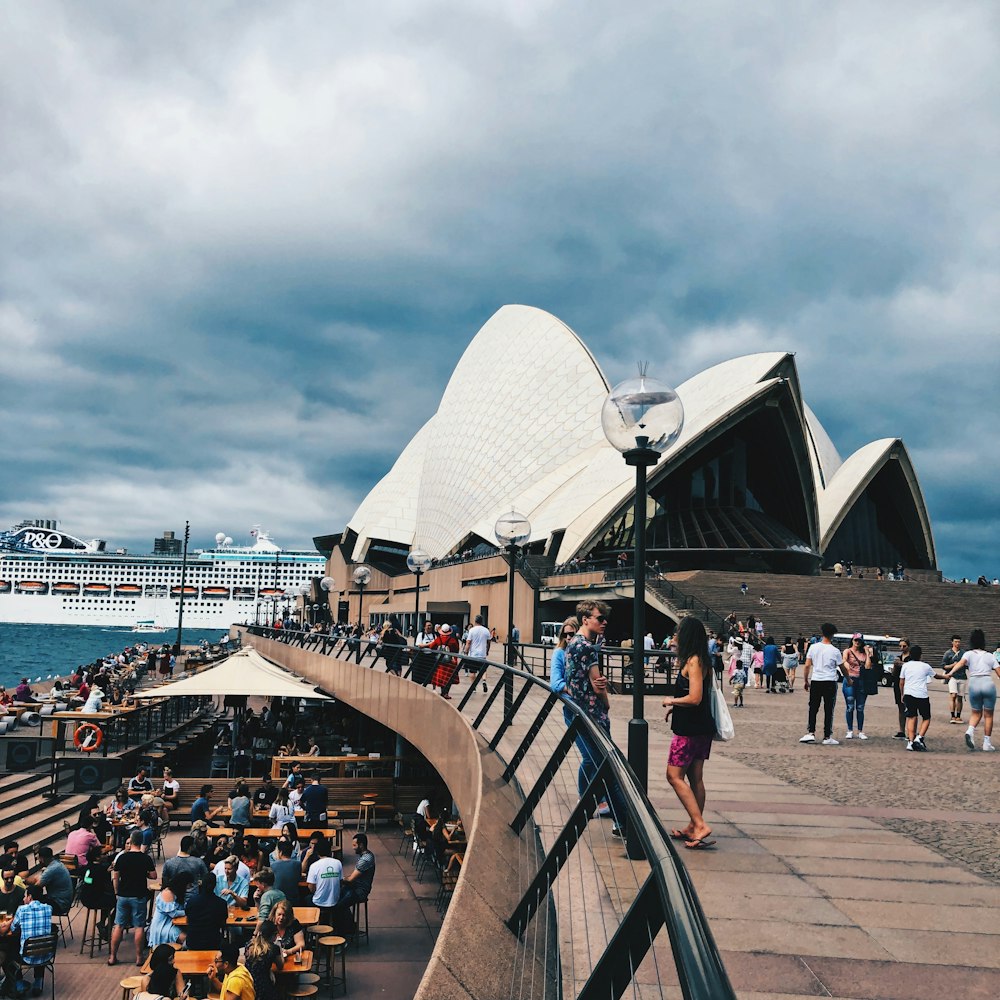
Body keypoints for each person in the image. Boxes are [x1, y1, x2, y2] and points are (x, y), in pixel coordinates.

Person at [565, 599, 627, 838]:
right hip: (592, 714)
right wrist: (607, 703)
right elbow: (597, 684)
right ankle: (623, 822)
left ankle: (600, 808)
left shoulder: (574, 644)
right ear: (585, 619)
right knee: (606, 767)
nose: (604, 622)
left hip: (577, 712)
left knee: (597, 763)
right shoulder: (588, 647)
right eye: (600, 618)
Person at [661, 616, 716, 850]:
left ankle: (700, 824)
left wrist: (670, 700)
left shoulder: (693, 661)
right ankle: (694, 827)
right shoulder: (702, 659)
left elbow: (695, 698)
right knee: (695, 778)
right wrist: (677, 707)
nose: (675, 637)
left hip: (689, 731)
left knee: (673, 776)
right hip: (701, 728)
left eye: (677, 633)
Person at [943, 628, 1000, 752]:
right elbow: (999, 672)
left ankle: (970, 731)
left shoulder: (968, 654)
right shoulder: (990, 656)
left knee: (976, 712)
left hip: (974, 683)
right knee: (988, 715)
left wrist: (950, 673)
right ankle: (987, 742)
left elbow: (960, 664)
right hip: (987, 683)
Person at [109, 830, 157, 967]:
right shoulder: (145, 858)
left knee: (118, 925)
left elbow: (116, 877)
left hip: (123, 895)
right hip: (139, 895)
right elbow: (153, 875)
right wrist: (145, 874)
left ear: (131, 840)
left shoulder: (122, 858)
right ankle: (138, 957)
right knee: (139, 926)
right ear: (141, 841)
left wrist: (117, 892)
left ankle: (112, 956)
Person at [799, 623, 842, 745]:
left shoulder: (813, 647)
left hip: (816, 680)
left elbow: (807, 665)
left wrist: (806, 680)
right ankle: (827, 736)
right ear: (833, 634)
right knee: (829, 709)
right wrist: (848, 679)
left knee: (813, 707)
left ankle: (810, 733)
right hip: (830, 681)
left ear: (822, 633)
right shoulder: (835, 651)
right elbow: (842, 667)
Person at [7, 882, 52, 997]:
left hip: (26, 958)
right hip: (46, 955)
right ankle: (38, 983)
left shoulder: (22, 910)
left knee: (10, 951)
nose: (23, 898)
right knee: (40, 944)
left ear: (30, 897)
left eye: (25, 896)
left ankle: (19, 984)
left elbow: (13, 927)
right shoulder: (48, 909)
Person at [329, 833, 375, 932]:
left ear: (361, 845)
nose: (353, 848)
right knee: (336, 898)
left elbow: (350, 879)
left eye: (355, 845)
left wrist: (338, 879)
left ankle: (340, 932)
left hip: (360, 891)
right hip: (355, 887)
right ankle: (350, 926)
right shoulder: (365, 855)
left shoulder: (366, 859)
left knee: (337, 907)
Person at [899, 644, 938, 751]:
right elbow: (936, 676)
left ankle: (910, 742)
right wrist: (946, 676)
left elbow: (901, 682)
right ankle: (919, 737)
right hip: (922, 694)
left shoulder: (906, 666)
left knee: (912, 717)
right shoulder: (925, 666)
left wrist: (902, 694)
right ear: (921, 655)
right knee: (926, 717)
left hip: (909, 693)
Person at [183, 873, 229, 952]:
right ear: (215, 885)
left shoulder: (192, 901)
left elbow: (188, 919)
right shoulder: (221, 903)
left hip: (193, 942)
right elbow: (223, 923)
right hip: (213, 942)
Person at [79, 844, 115, 941]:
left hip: (85, 898)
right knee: (119, 904)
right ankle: (107, 927)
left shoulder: (87, 867)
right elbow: (106, 885)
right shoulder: (102, 869)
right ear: (97, 857)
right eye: (104, 854)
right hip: (94, 899)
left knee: (107, 900)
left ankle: (102, 923)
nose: (106, 855)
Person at [841, 633, 873, 740]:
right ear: (852, 640)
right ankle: (849, 730)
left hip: (862, 681)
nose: (857, 642)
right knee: (850, 706)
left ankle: (860, 731)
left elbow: (868, 666)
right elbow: (844, 660)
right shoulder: (848, 651)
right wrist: (847, 666)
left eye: (859, 640)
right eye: (855, 640)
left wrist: (868, 653)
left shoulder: (864, 653)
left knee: (860, 707)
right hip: (850, 680)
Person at [305, 835, 342, 922]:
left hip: (318, 903)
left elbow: (311, 888)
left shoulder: (314, 866)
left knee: (306, 899)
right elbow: (340, 883)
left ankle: (311, 926)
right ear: (330, 851)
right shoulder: (338, 863)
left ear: (317, 852)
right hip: (335, 901)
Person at [162, 836, 208, 904]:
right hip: (193, 896)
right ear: (191, 847)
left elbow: (165, 881)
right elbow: (206, 877)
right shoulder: (198, 862)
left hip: (174, 895)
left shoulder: (169, 863)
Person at [147, 873, 189, 948]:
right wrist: (188, 912)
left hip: (170, 923)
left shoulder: (176, 892)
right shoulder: (168, 893)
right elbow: (173, 913)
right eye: (188, 886)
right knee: (186, 939)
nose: (188, 888)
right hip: (162, 926)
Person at [244, 919, 282, 1000]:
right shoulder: (273, 949)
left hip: (248, 984)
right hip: (263, 988)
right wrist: (279, 947)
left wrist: (269, 970)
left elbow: (258, 964)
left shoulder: (249, 945)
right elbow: (280, 966)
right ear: (274, 935)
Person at [31, 846, 73, 916]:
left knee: (32, 902)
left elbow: (37, 886)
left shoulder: (51, 869)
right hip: (64, 900)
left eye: (39, 859)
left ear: (42, 859)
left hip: (60, 904)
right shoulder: (57, 864)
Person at [427, 623, 462, 699]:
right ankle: (445, 693)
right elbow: (456, 649)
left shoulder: (438, 639)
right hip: (450, 662)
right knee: (449, 677)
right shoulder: (452, 640)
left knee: (441, 676)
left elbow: (431, 647)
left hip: (440, 661)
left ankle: (442, 691)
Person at [941, 634, 967, 724]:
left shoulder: (964, 653)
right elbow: (943, 666)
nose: (957, 643)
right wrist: (952, 665)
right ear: (952, 642)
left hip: (962, 676)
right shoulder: (948, 653)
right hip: (952, 676)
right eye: (956, 641)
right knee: (953, 695)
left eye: (959, 642)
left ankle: (958, 716)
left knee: (960, 697)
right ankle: (952, 715)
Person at [269, 840, 300, 905]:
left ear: (280, 852)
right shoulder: (298, 864)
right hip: (293, 899)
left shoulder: (273, 865)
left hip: (277, 900)